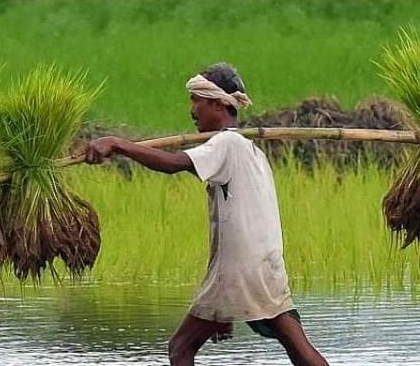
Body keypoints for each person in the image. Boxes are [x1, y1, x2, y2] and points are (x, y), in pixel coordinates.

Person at [83, 63, 329, 366]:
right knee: (298, 349)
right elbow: (236, 221)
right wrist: (225, 309)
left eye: (196, 100)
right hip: (265, 264)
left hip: (239, 269)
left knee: (180, 348)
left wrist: (118, 143)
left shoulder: (225, 143)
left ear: (217, 104)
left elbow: (174, 164)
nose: (192, 109)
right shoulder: (251, 150)